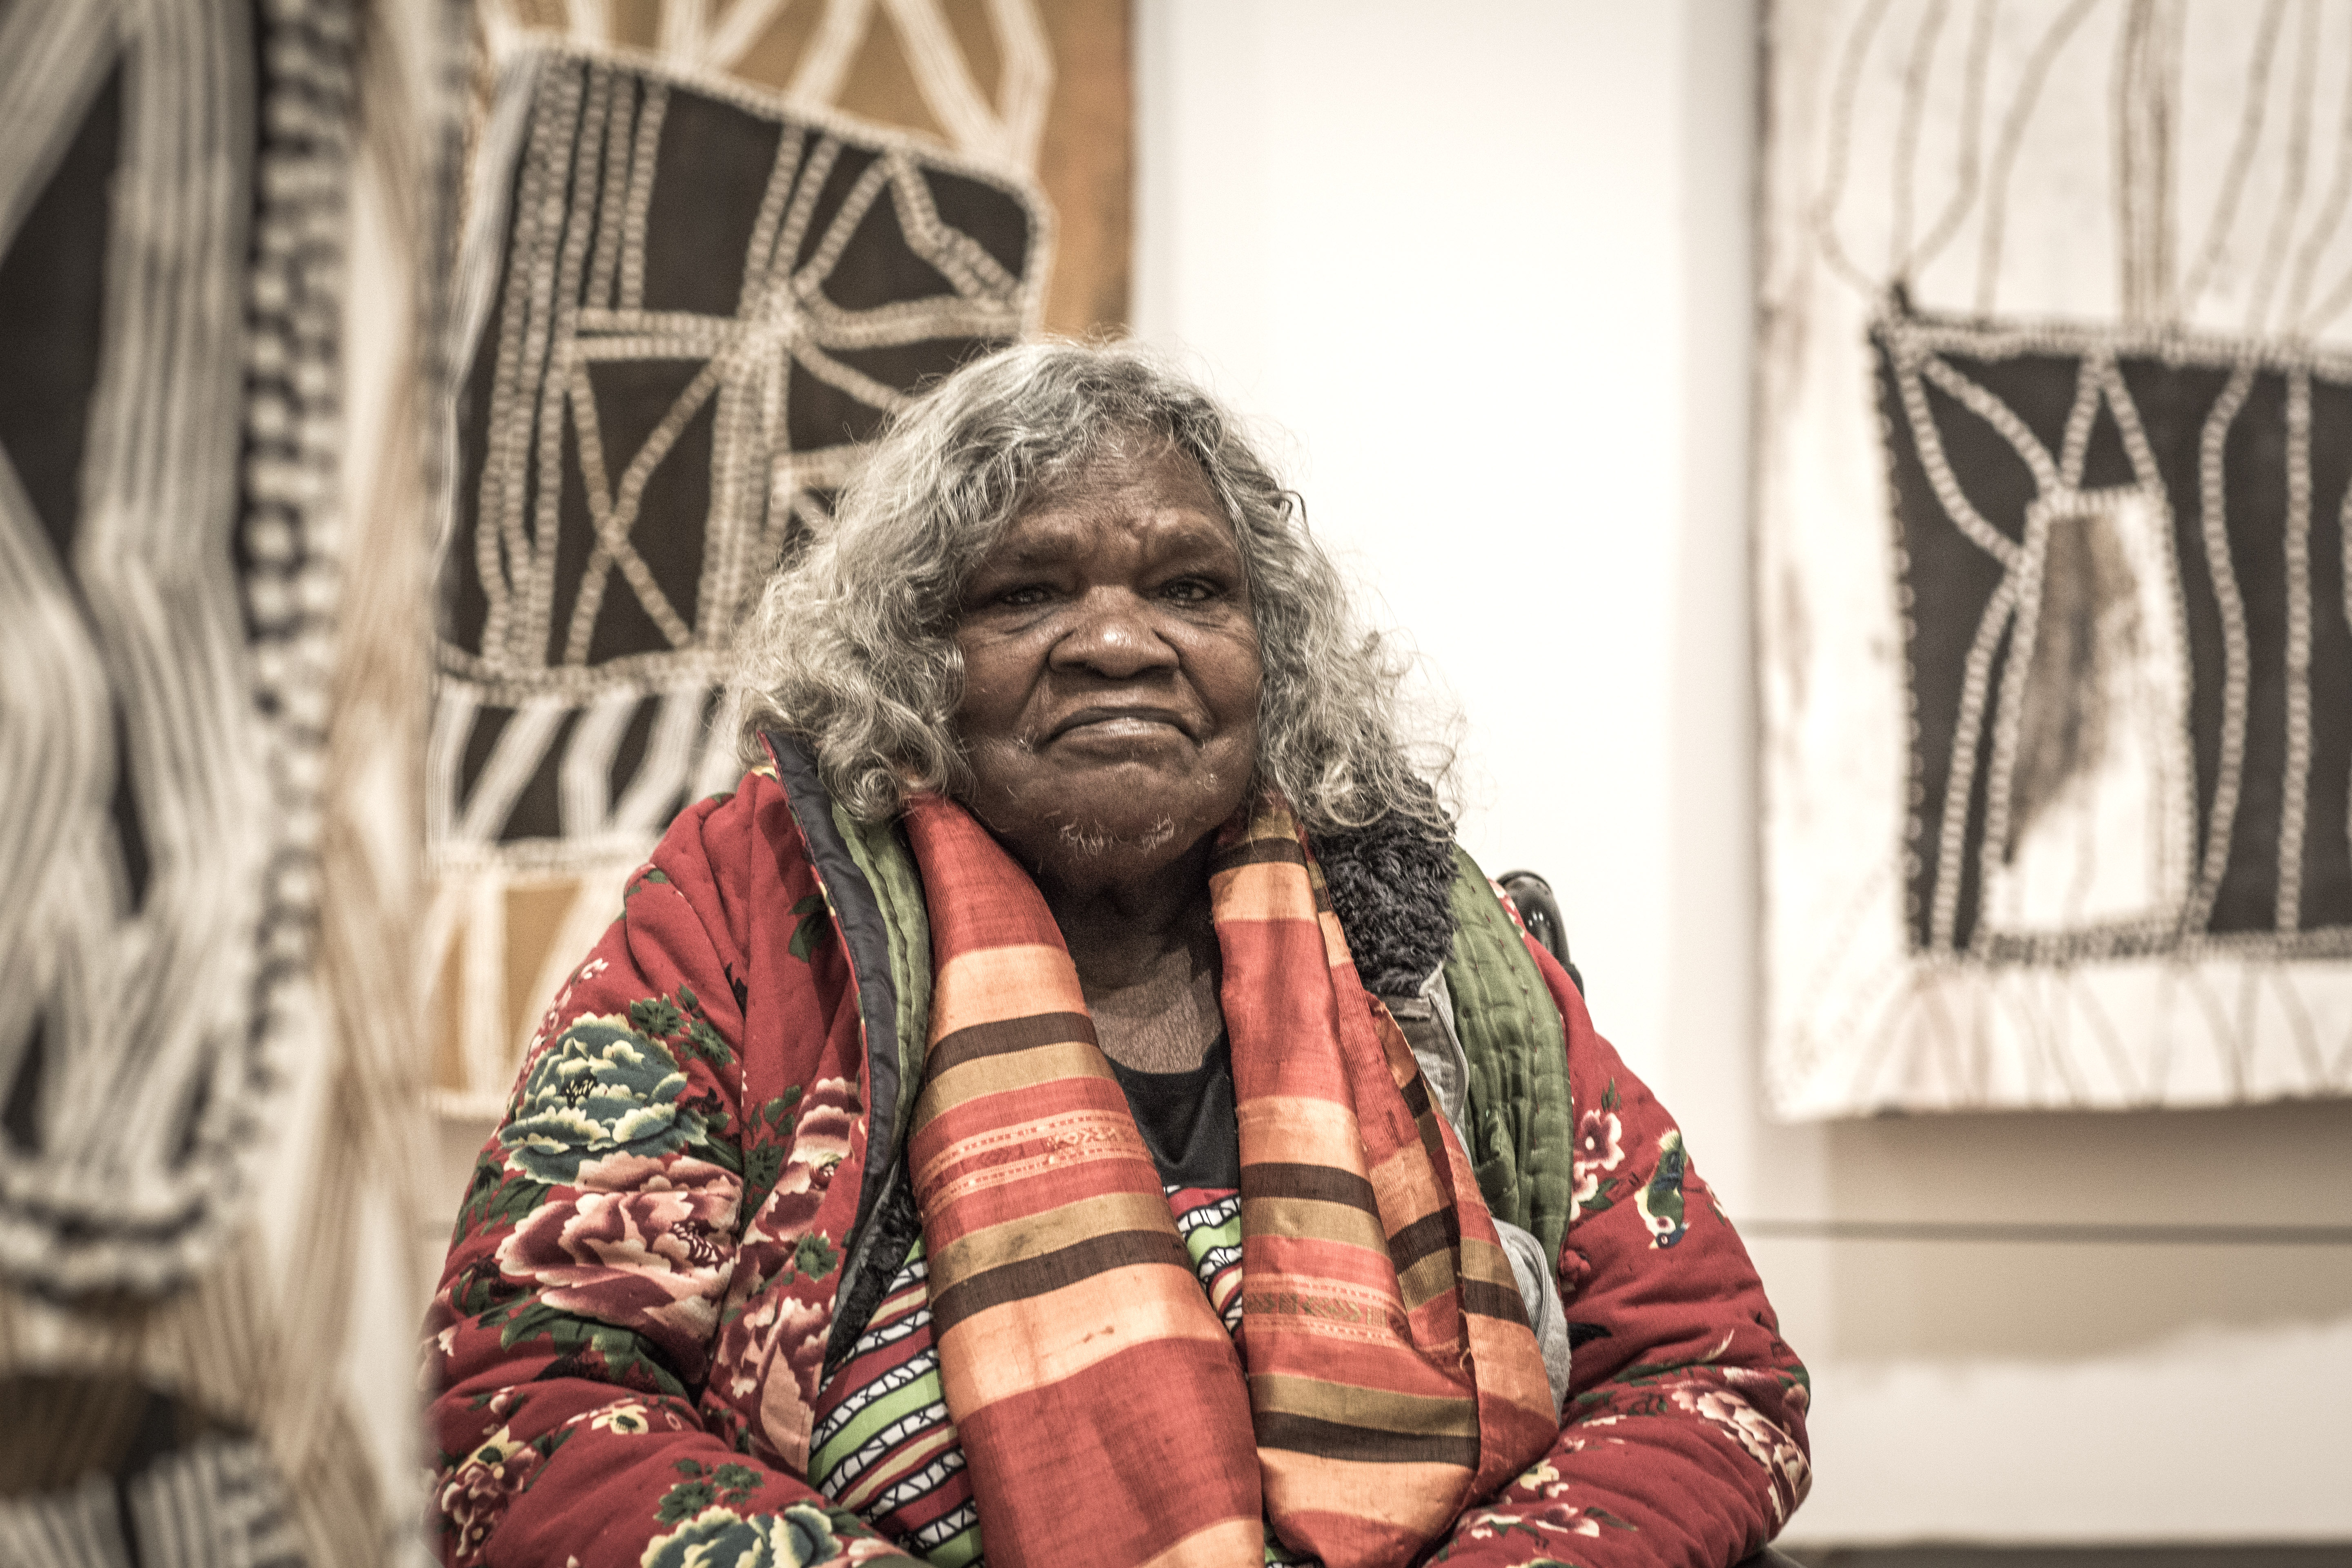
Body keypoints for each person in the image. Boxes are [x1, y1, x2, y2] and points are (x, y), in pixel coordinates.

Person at [423, 343, 1811, 1568]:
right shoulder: (750, 905)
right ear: (913, 658)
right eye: (1026, 592)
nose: (1114, 642)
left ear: (1273, 656)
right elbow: (530, 1395)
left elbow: (1710, 1368)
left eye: (1190, 589)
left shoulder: (1430, 933)